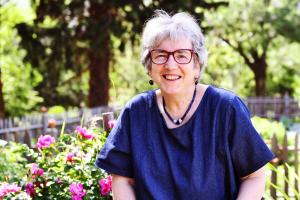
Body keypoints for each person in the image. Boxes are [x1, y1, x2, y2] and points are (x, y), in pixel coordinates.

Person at [95, 10, 274, 200]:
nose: (171, 65)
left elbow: (254, 176)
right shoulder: (136, 112)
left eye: (182, 55)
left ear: (197, 64)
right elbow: (122, 180)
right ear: (149, 66)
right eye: (161, 55)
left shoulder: (226, 109)